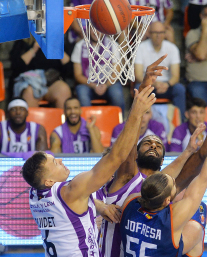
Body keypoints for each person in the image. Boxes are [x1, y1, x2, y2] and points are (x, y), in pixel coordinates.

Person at [98, 56, 207, 257]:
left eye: (158, 145)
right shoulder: (127, 177)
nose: (153, 144)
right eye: (147, 142)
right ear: (136, 152)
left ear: (162, 162)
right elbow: (127, 145)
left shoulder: (157, 187)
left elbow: (203, 156)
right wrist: (144, 86)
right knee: (198, 219)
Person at [22, 84, 157, 256]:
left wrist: (99, 206)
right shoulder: (71, 190)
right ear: (49, 181)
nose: (61, 159)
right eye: (55, 162)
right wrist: (136, 113)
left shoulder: (35, 193)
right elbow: (116, 157)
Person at [119, 104, 207, 256]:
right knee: (201, 214)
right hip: (168, 239)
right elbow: (205, 176)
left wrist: (187, 152)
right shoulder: (173, 221)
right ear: (167, 202)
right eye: (174, 185)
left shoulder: (129, 202)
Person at [135, 22, 185, 117]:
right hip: (148, 85)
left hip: (167, 85)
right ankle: (138, 121)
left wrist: (167, 84)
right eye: (155, 32)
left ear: (165, 34)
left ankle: (180, 123)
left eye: (161, 32)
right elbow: (138, 75)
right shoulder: (141, 48)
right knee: (138, 88)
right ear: (149, 33)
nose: (158, 36)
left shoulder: (172, 48)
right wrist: (153, 83)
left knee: (180, 89)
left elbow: (175, 76)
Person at [72, 29, 125, 113]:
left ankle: (120, 124)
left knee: (117, 94)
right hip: (88, 84)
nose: (96, 32)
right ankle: (86, 124)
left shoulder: (113, 45)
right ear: (88, 30)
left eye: (98, 29)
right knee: (82, 94)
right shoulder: (80, 46)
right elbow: (78, 75)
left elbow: (116, 73)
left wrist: (106, 85)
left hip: (109, 84)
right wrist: (94, 86)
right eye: (93, 29)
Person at [10, 37, 72, 109]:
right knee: (29, 92)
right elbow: (16, 67)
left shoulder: (57, 41)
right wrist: (34, 49)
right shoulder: (22, 42)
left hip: (51, 81)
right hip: (31, 82)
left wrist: (57, 48)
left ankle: (63, 120)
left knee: (63, 90)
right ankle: (31, 120)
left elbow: (69, 70)